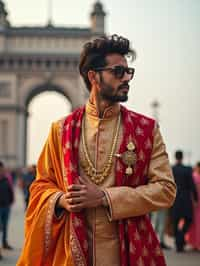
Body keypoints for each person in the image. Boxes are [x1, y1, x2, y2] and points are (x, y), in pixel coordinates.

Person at [17, 34, 176, 266]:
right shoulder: (60, 130)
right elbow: (41, 185)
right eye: (118, 72)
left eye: (128, 71)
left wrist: (105, 197)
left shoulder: (147, 129)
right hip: (72, 253)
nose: (127, 79)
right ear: (94, 76)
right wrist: (61, 199)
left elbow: (166, 189)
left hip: (128, 253)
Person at [171, 150, 198, 252]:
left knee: (175, 221)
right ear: (182, 157)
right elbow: (192, 185)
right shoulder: (188, 169)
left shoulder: (172, 169)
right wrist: (195, 198)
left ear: (175, 157)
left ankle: (179, 242)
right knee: (188, 220)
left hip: (175, 198)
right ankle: (180, 240)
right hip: (186, 198)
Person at [0, 161, 14, 256]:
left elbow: (10, 189)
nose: (2, 170)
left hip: (6, 206)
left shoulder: (6, 178)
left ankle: (4, 243)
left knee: (5, 227)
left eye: (2, 168)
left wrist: (11, 200)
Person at [186, 162, 200, 250]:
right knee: (195, 223)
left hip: (196, 201)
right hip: (195, 201)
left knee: (196, 223)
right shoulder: (194, 176)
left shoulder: (194, 175)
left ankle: (195, 243)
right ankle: (194, 243)